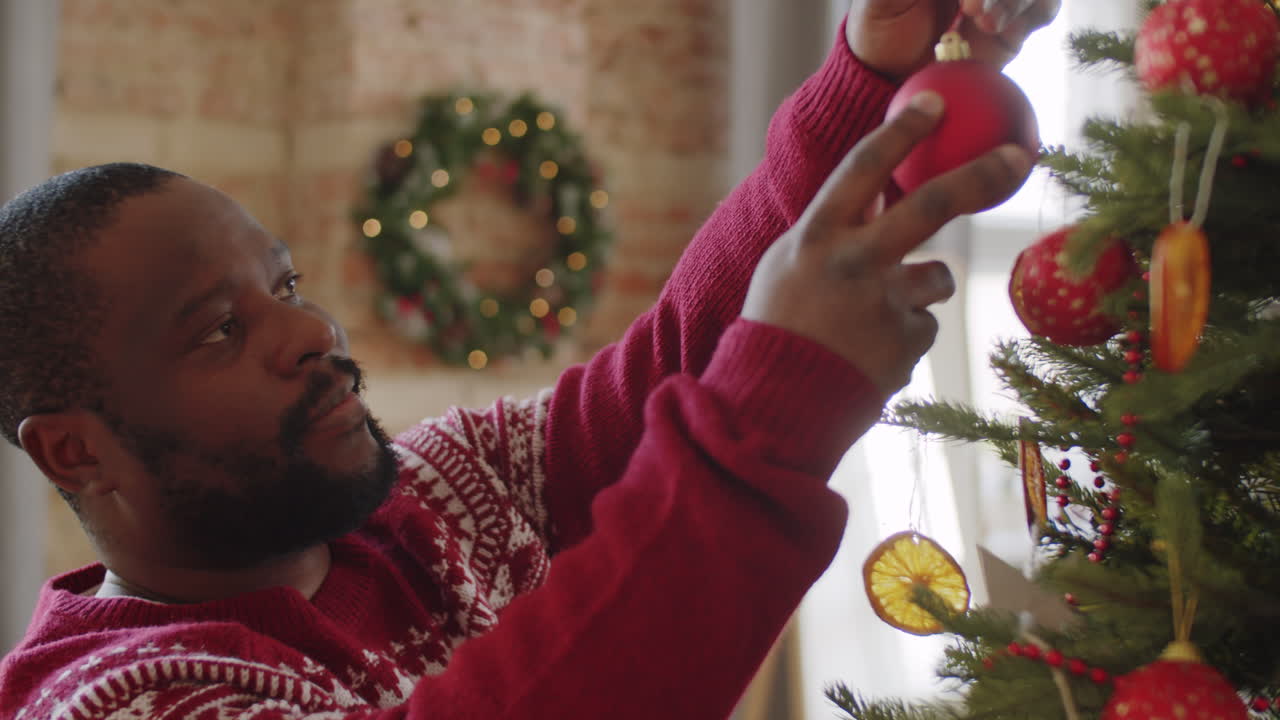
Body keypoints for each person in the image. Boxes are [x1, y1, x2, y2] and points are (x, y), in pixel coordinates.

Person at [0, 0, 1056, 717]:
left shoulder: (430, 498)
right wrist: (775, 410)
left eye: (282, 287)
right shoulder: (118, 699)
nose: (310, 332)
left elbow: (660, 382)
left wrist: (869, 83)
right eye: (218, 331)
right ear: (72, 450)